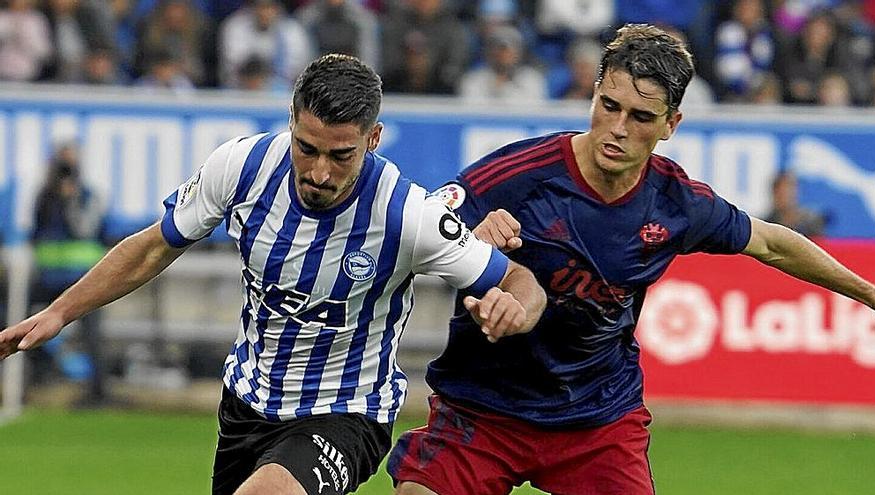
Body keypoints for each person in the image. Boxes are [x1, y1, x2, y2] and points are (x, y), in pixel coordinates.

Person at [0, 54, 547, 495]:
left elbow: (519, 280)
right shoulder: (240, 168)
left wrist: (512, 309)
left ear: (373, 139)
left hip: (346, 411)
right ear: (290, 121)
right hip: (247, 404)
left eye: (341, 155)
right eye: (306, 149)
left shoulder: (409, 214)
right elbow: (152, 247)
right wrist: (58, 313)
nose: (319, 171)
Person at [388, 24, 875, 495]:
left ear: (671, 124)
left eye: (641, 117)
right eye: (609, 106)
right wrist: (468, 242)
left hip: (596, 421)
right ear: (594, 95)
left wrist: (871, 295)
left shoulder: (677, 203)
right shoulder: (517, 176)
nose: (617, 129)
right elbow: (419, 230)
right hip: (483, 410)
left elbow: (772, 242)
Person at [29, 141, 108, 403]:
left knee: (92, 336)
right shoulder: (44, 196)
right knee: (26, 325)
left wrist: (71, 202)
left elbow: (87, 229)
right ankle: (34, 379)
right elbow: (37, 232)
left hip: (83, 278)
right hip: (48, 277)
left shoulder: (86, 195)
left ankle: (96, 390)